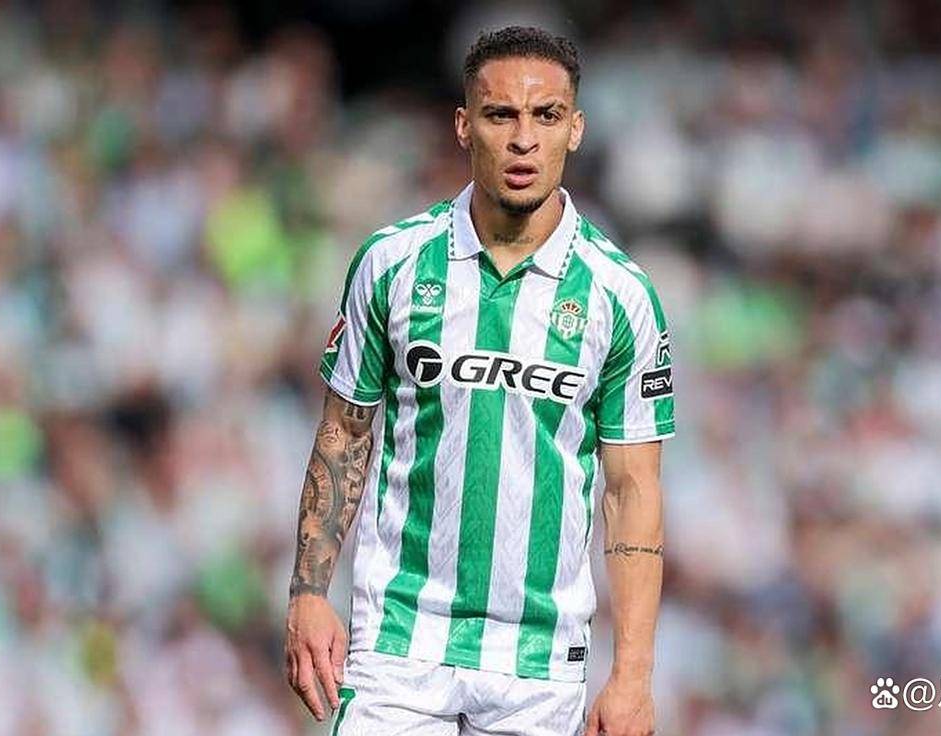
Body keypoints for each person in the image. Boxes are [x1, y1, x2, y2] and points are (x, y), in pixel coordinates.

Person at [284, 25, 674, 736]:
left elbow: (632, 491)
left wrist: (634, 675)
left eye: (546, 116)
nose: (524, 139)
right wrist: (309, 592)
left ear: (576, 129)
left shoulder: (621, 297)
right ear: (465, 126)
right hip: (399, 643)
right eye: (501, 115)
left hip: (539, 662)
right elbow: (344, 433)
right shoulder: (393, 263)